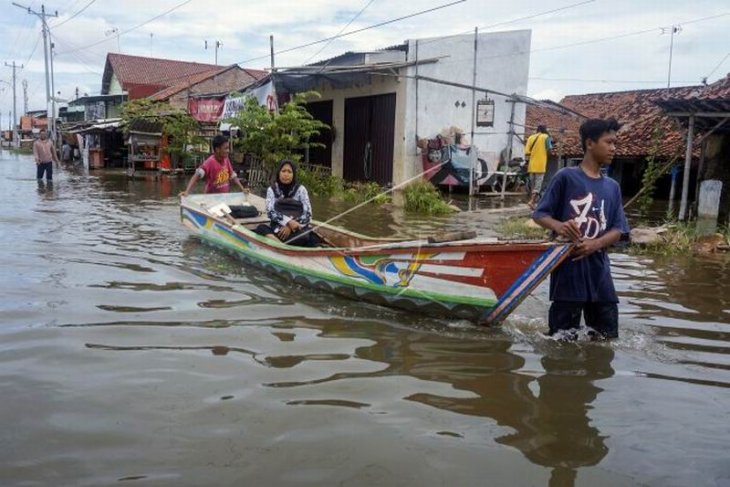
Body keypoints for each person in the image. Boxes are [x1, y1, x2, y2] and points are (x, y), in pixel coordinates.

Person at [532, 118, 629, 340]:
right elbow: (539, 214)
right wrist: (560, 226)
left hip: (600, 275)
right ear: (589, 143)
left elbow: (618, 229)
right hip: (568, 274)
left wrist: (594, 244)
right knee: (561, 340)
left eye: (615, 143)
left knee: (607, 340)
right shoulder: (565, 177)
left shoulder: (612, 187)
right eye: (609, 142)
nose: (614, 148)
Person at [254, 159, 323, 247]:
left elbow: (308, 215)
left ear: (293, 175)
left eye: (289, 172)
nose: (286, 174)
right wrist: (288, 222)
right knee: (261, 228)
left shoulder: (301, 190)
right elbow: (270, 212)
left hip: (297, 231)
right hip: (277, 231)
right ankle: (281, 246)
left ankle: (286, 247)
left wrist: (291, 226)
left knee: (312, 237)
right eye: (283, 171)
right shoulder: (272, 190)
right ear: (279, 173)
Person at [179, 135, 247, 196]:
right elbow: (197, 174)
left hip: (224, 197)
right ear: (217, 149)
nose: (228, 151)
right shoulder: (210, 162)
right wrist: (187, 191)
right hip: (211, 198)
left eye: (228, 148)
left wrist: (242, 189)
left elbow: (232, 175)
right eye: (225, 148)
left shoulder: (226, 159)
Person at [524, 124, 553, 209]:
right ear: (544, 129)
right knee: (538, 185)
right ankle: (532, 201)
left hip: (531, 165)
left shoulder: (530, 138)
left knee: (533, 185)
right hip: (541, 165)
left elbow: (527, 152)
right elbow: (549, 150)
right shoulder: (545, 137)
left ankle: (532, 202)